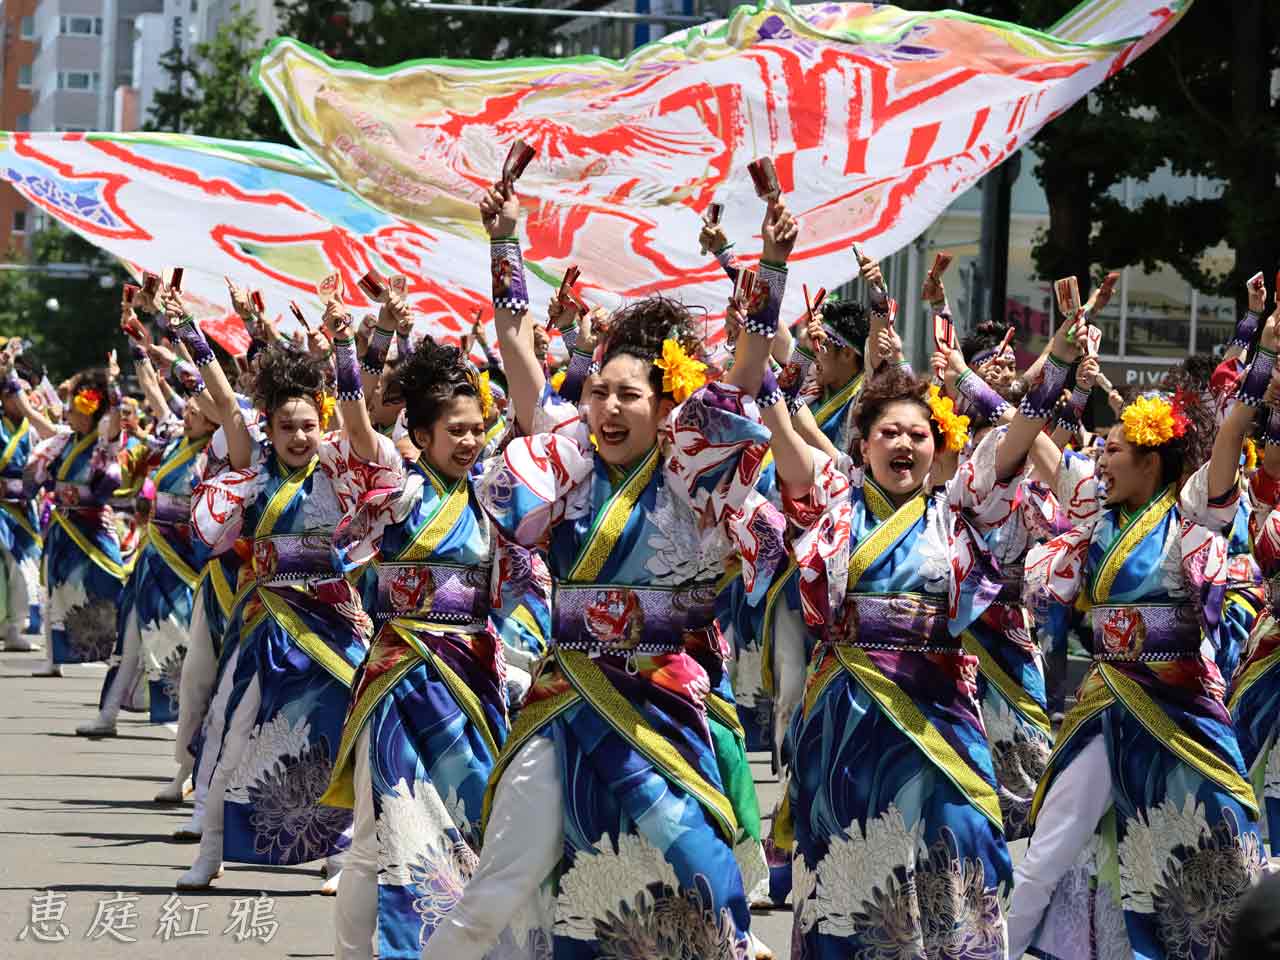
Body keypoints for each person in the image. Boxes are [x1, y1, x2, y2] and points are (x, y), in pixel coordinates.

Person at [421, 181, 794, 960]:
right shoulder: (565, 462)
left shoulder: (696, 473)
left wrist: (773, 268)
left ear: (667, 407)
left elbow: (748, 377)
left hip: (661, 702)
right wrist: (504, 243)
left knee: (697, 868)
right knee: (506, 873)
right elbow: (520, 357)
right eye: (599, 393)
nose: (610, 408)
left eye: (630, 394)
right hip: (566, 698)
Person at [762, 293, 1081, 958]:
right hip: (846, 723)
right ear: (863, 444)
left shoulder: (959, 511)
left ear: (938, 447)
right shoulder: (836, 505)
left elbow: (1018, 438)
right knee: (850, 874)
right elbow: (788, 449)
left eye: (918, 434)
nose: (904, 443)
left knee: (958, 845)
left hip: (937, 718)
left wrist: (1057, 362)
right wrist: (770, 362)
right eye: (889, 432)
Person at [1006, 300, 1270, 959]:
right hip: (1107, 702)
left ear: (1152, 464)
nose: (1100, 459)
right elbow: (1031, 443)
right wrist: (1009, 378)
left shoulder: (1188, 517)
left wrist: (1264, 350)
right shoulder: (1093, 514)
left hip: (1183, 706)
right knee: (1053, 842)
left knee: (1221, 846)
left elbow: (1233, 430)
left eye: (1115, 449)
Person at [167, 284, 401, 893]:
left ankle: (337, 853)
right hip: (265, 618)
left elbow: (361, 405)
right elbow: (222, 396)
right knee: (229, 729)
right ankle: (210, 850)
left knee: (339, 732)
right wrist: (185, 327)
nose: (299, 436)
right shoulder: (254, 464)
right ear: (267, 428)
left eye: (307, 425)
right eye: (286, 426)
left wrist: (360, 339)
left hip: (329, 618)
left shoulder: (337, 462)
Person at [327, 315, 510, 959]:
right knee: (386, 823)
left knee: (477, 814)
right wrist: (357, 347)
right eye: (453, 431)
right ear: (422, 434)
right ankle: (367, 952)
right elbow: (356, 427)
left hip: (472, 677)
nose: (467, 440)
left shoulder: (494, 497)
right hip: (401, 674)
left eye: (476, 429)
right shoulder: (397, 491)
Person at [25, 362, 128, 679]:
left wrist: (113, 385)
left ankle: (118, 649)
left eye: (73, 408)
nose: (68, 413)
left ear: (89, 411)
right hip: (63, 527)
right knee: (57, 591)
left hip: (94, 527)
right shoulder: (61, 440)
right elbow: (41, 423)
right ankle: (54, 658)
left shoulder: (103, 441)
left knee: (110, 582)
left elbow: (116, 417)